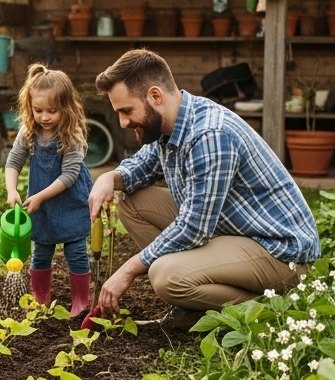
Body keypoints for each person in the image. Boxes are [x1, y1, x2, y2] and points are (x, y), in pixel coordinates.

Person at [89, 48, 321, 329]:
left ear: (155, 96)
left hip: (279, 252)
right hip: (233, 231)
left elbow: (194, 227)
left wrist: (127, 270)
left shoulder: (210, 134)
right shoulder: (169, 124)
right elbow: (141, 168)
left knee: (165, 275)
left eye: (127, 111)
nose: (124, 123)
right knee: (132, 201)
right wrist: (109, 178)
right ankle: (195, 301)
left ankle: (268, 308)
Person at [5, 65, 93, 316]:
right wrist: (12, 190)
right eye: (38, 110)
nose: (44, 117)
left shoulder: (71, 135)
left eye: (52, 111)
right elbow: (14, 161)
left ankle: (80, 300)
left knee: (75, 251)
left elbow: (69, 176)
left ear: (66, 108)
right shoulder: (29, 130)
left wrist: (41, 197)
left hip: (70, 200)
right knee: (41, 251)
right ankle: (40, 298)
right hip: (40, 204)